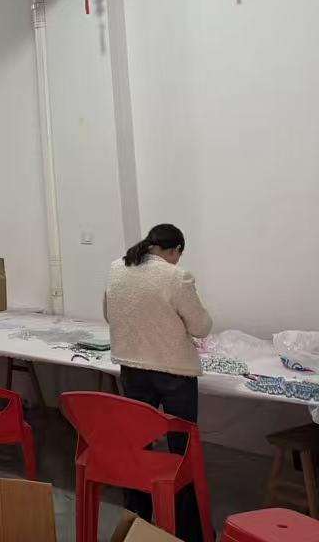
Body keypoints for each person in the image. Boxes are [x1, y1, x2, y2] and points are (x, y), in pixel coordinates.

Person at [104, 223, 213, 542]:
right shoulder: (176, 276)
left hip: (131, 367)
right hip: (174, 371)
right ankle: (188, 531)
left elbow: (110, 314)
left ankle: (137, 522)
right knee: (183, 453)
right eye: (179, 254)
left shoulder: (117, 268)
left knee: (138, 447)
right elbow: (201, 327)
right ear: (174, 250)